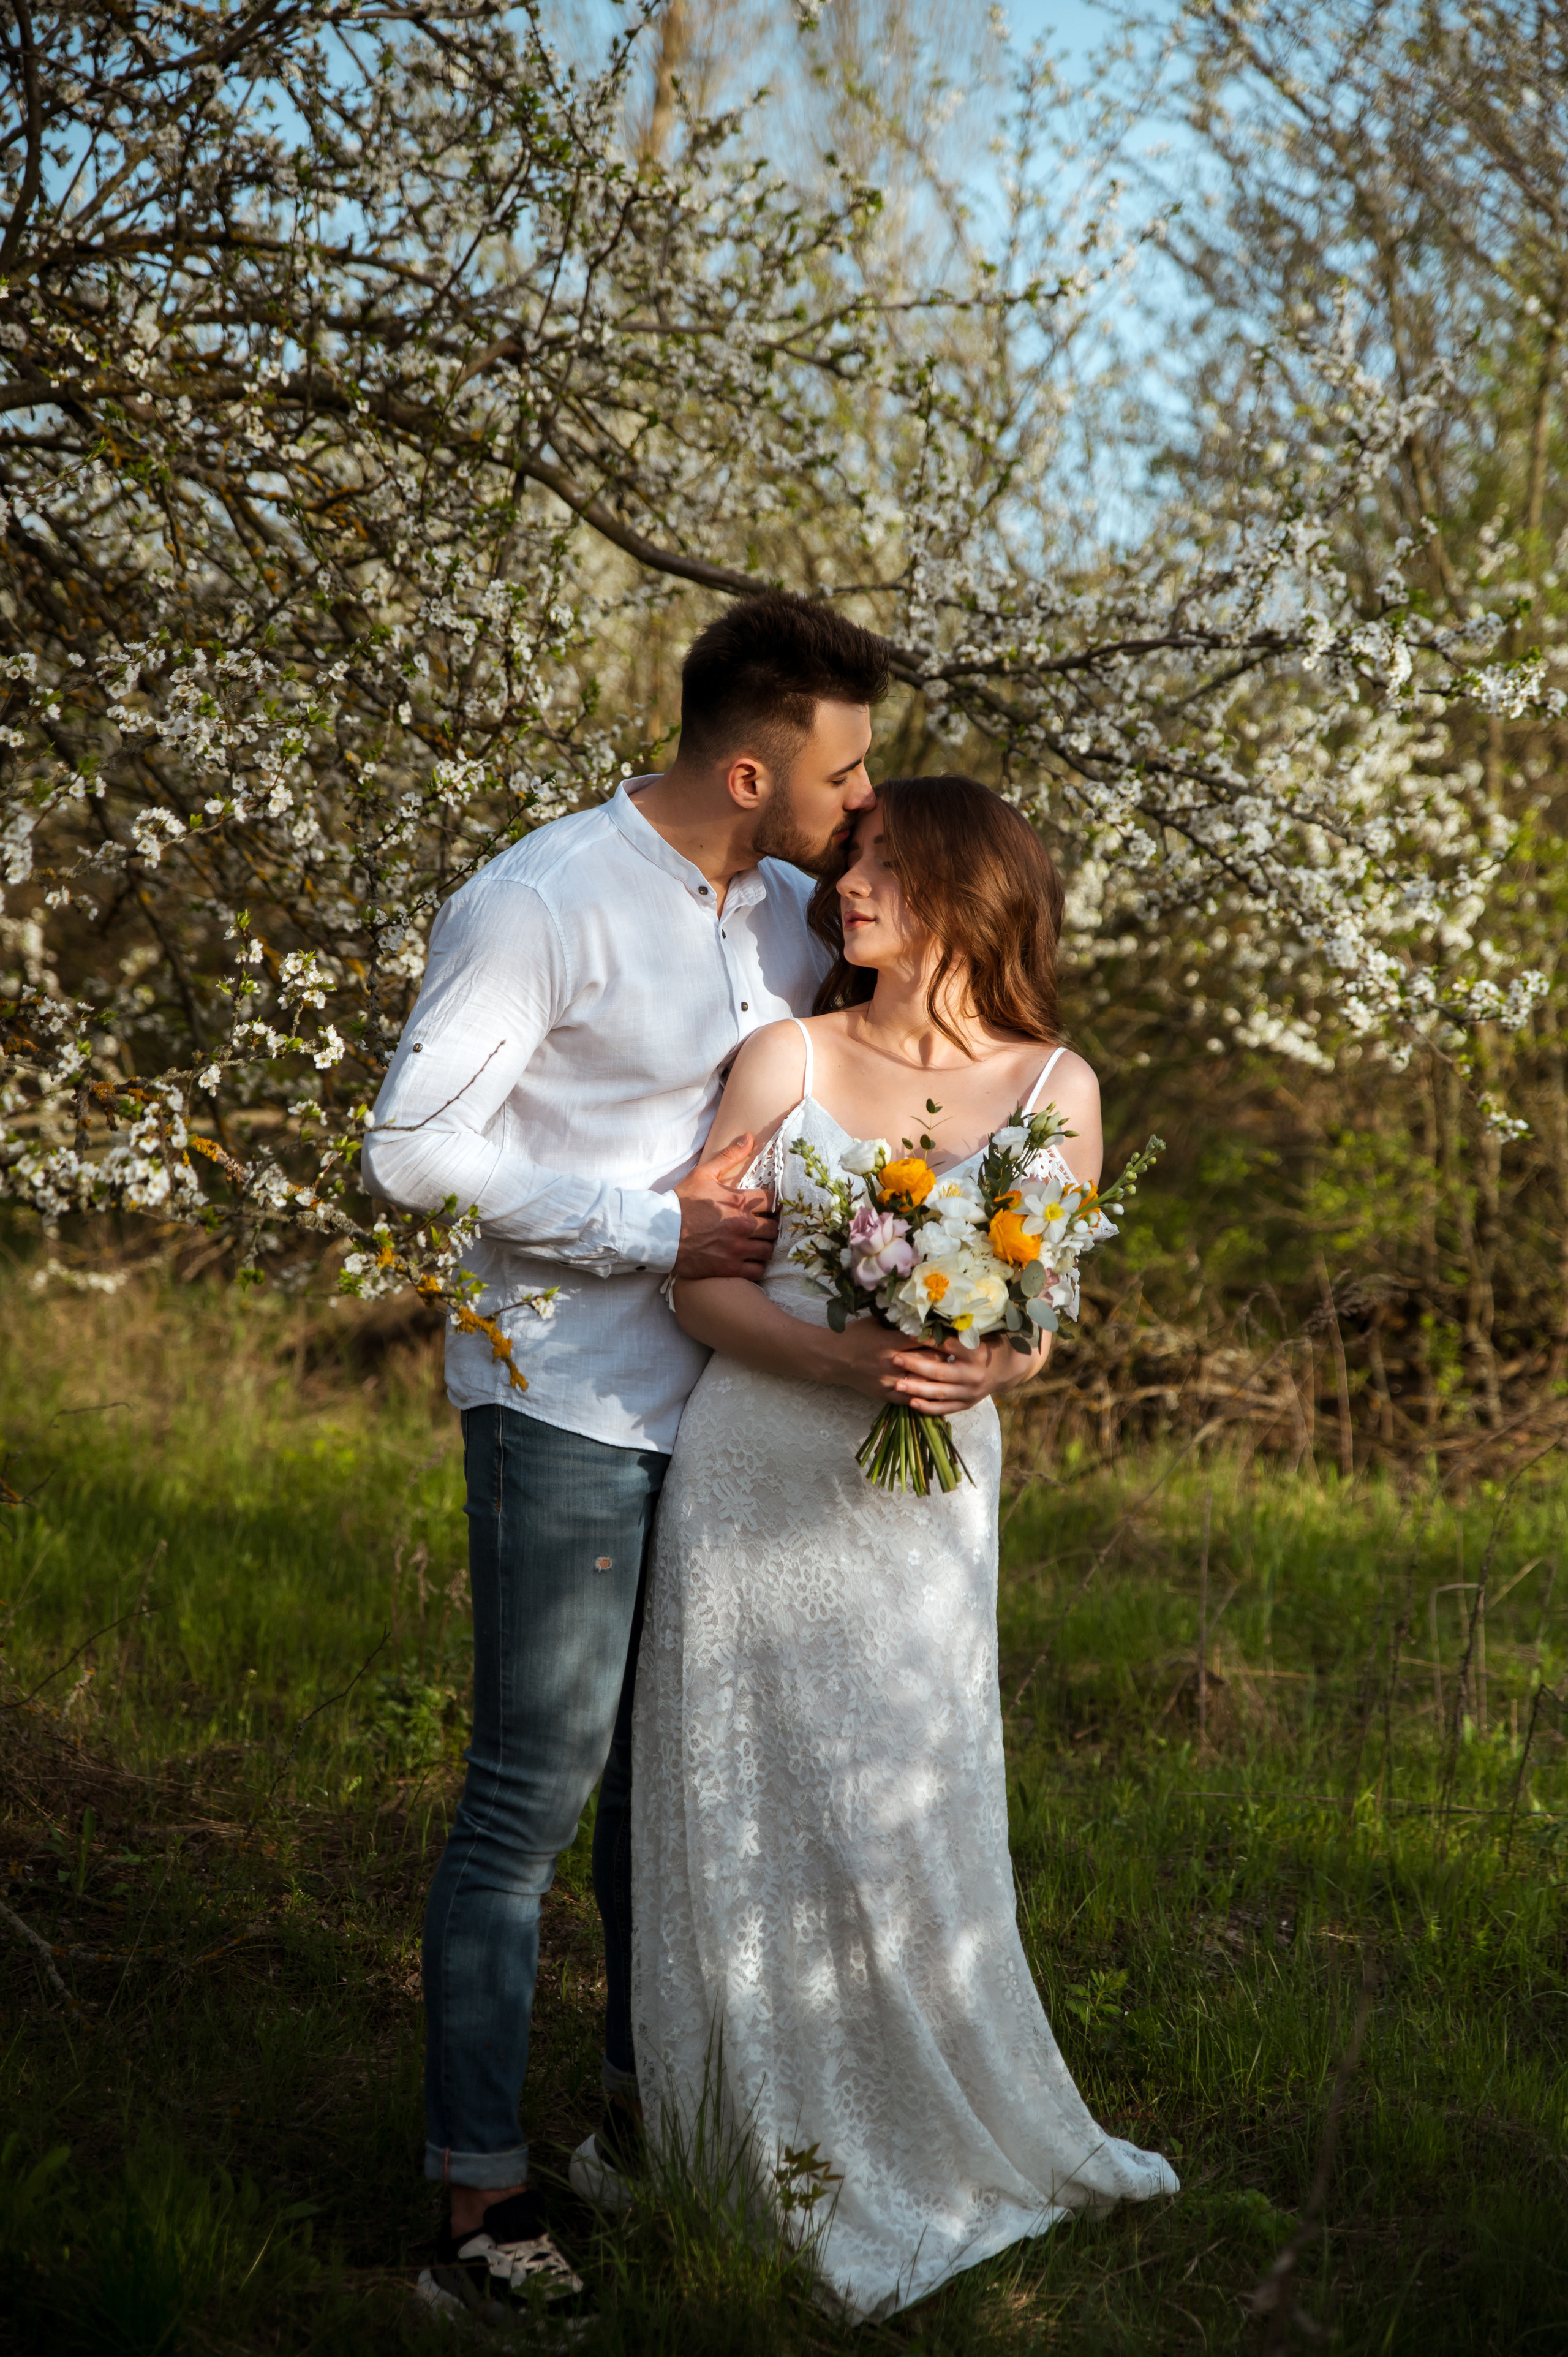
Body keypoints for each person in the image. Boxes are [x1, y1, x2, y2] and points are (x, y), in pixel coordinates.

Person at [363, 590, 910, 2323]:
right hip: (573, 1407)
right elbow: (409, 1154)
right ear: (753, 768)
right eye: (847, 770)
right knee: (535, 1798)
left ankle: (643, 2123)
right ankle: (476, 2203)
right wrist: (638, 1224)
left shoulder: (797, 919)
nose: (866, 800)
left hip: (748, 1424)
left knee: (669, 1806)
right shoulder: (538, 902)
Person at [631, 775, 1179, 2323]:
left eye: (878, 863)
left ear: (963, 887)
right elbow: (696, 1284)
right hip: (760, 1459)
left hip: (928, 1497)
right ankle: (753, 2138)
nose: (844, 885)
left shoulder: (1056, 1086)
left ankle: (931, 2109)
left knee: (907, 1782)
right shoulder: (781, 1057)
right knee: (751, 1782)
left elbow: (1042, 1323)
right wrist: (842, 1364)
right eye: (848, 859)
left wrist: (981, 1366)